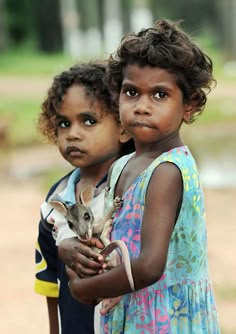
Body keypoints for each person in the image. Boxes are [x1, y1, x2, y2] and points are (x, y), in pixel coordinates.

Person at [65, 19, 221, 333]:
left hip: (166, 317)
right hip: (132, 310)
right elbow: (116, 239)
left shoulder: (166, 171)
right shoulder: (123, 165)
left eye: (160, 95)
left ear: (188, 106)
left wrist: (84, 289)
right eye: (132, 92)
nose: (142, 106)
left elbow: (149, 266)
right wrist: (79, 252)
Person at [34, 61, 134, 334]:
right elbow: (49, 283)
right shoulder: (54, 201)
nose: (72, 134)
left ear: (123, 128)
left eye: (88, 121)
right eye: (64, 123)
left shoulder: (132, 190)